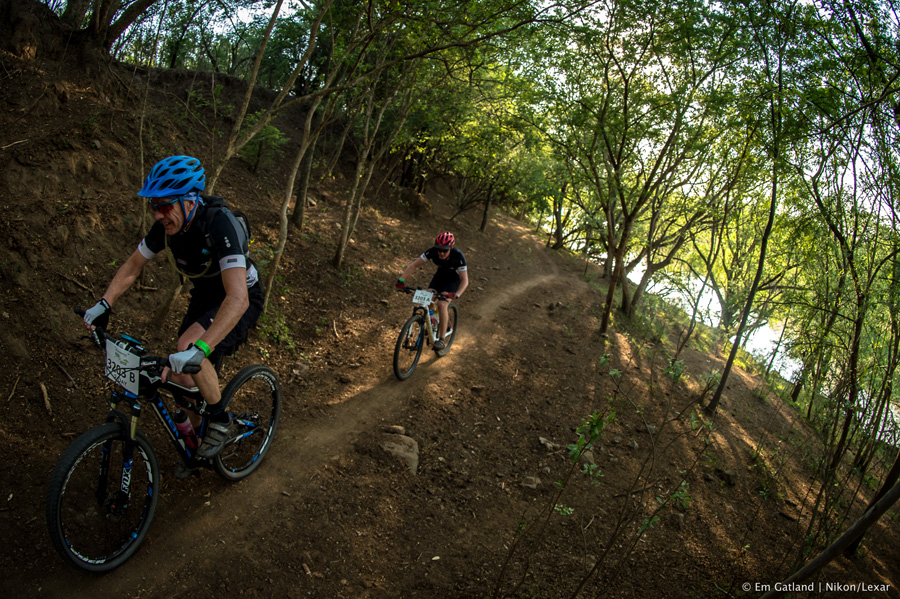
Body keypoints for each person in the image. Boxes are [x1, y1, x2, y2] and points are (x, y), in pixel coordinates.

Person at [81, 155, 264, 460]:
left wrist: (202, 347)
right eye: (154, 206)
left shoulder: (219, 224)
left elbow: (237, 298)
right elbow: (133, 265)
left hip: (240, 296)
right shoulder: (167, 227)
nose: (158, 215)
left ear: (190, 200)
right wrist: (105, 302)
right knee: (178, 376)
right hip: (207, 296)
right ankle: (194, 447)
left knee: (189, 347)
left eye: (165, 205)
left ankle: (221, 420)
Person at [396, 231, 468, 350]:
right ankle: (433, 323)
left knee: (441, 304)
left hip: (454, 280)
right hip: (440, 276)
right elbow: (414, 265)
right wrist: (401, 279)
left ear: (451, 248)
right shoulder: (432, 252)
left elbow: (465, 280)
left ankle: (441, 339)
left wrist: (456, 294)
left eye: (445, 250)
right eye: (439, 249)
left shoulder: (458, 256)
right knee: (427, 297)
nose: (441, 253)